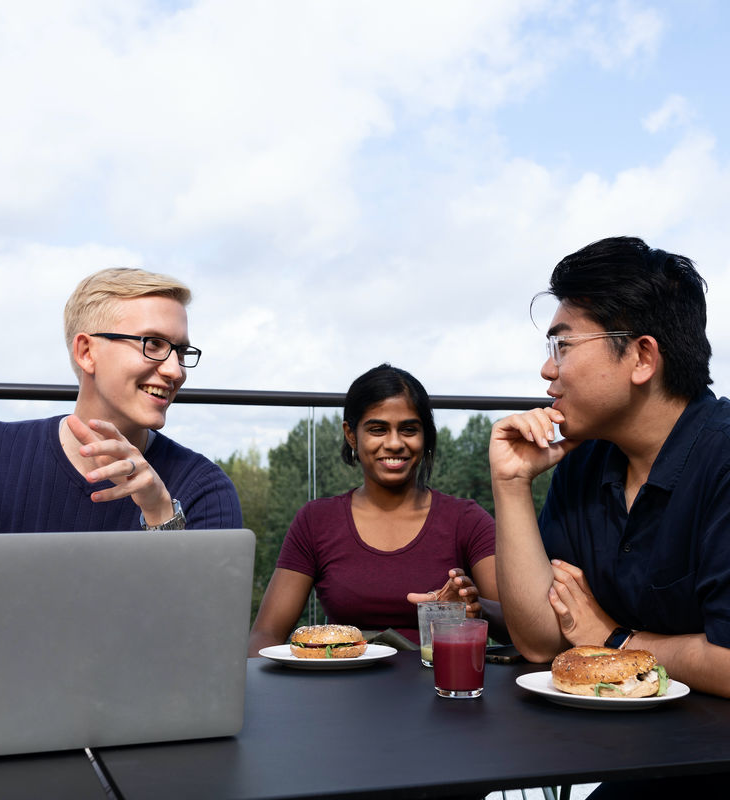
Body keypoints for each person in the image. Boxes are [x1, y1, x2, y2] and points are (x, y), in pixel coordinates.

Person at [489, 237, 729, 795]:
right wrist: (511, 483)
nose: (547, 369)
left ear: (642, 358)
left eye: (564, 345)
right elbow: (543, 641)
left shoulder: (722, 462)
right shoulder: (586, 461)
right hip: (639, 762)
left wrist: (614, 640)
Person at [0, 267, 241, 533]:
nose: (176, 371)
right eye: (154, 343)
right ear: (86, 353)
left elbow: (196, 605)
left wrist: (161, 515)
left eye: (181, 352)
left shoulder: (206, 489)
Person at [248, 363, 504, 656]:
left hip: (441, 689)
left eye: (409, 429)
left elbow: (515, 623)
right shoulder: (315, 521)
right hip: (339, 691)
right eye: (378, 429)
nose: (394, 443)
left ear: (426, 436)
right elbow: (267, 632)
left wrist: (474, 607)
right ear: (351, 435)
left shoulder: (467, 520)